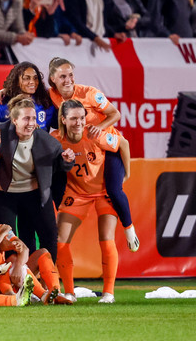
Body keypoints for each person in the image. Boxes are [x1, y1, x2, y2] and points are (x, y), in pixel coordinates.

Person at [48, 57, 138, 252]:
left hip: (105, 144)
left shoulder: (90, 93)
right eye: (62, 76)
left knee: (114, 190)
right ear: (52, 79)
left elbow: (115, 114)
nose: (68, 79)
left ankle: (129, 228)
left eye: (70, 74)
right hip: (79, 147)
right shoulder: (50, 97)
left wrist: (99, 128)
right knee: (55, 180)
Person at [52, 99, 127, 303]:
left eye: (82, 118)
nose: (79, 122)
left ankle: (109, 293)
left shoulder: (95, 134)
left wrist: (125, 175)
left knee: (106, 238)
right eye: (74, 118)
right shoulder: (55, 140)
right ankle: (69, 292)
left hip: (103, 192)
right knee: (60, 241)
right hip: (76, 193)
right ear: (63, 120)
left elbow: (123, 144)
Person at [0, 96, 74, 261]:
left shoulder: (48, 142)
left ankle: (46, 280)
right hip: (3, 194)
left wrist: (68, 161)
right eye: (26, 118)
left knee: (49, 235)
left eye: (33, 118)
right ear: (14, 120)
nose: (31, 123)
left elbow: (61, 166)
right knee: (9, 240)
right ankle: (12, 281)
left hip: (34, 193)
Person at [0, 196, 71, 304]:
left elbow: (24, 249)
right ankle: (12, 294)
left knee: (42, 253)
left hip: (7, 276)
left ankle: (55, 292)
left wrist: (18, 267)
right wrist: (2, 237)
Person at [0, 62, 56, 130]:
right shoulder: (0, 102)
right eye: (26, 78)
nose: (32, 82)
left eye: (35, 78)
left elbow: (57, 124)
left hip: (40, 142)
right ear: (17, 81)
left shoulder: (46, 99)